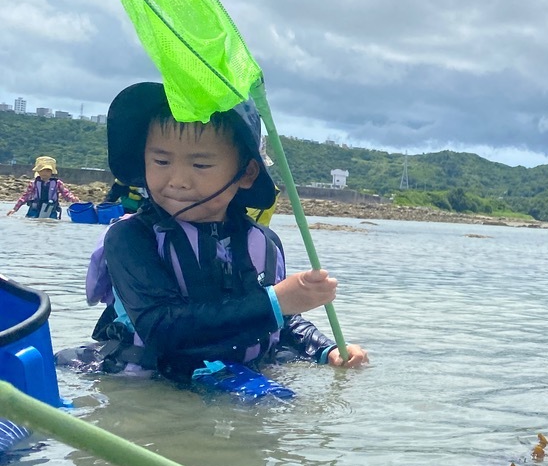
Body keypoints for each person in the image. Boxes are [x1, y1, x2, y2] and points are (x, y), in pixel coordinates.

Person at [65, 81, 368, 381]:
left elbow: (283, 322)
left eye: (200, 165)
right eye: (161, 161)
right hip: (153, 381)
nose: (178, 180)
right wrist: (274, 302)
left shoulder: (265, 243)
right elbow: (159, 328)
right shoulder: (130, 238)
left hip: (232, 380)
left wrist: (325, 349)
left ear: (247, 173)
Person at [6, 156, 81, 219]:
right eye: (42, 170)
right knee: (32, 221)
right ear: (38, 171)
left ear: (52, 172)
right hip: (34, 210)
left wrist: (74, 199)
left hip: (50, 210)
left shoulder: (57, 183)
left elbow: (66, 194)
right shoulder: (34, 183)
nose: (45, 173)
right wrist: (15, 209)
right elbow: (25, 197)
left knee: (51, 222)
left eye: (48, 171)